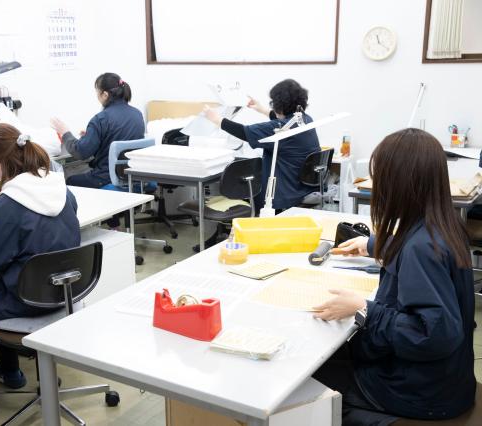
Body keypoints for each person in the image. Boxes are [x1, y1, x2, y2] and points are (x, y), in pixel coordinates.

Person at [312, 128, 476, 425]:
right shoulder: (445, 225)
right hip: (449, 382)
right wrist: (375, 244)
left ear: (400, 184)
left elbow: (434, 335)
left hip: (420, 393)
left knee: (310, 382)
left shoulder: (421, 249)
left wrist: (364, 309)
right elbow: (419, 250)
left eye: (380, 178)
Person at [0, 123, 81, 404]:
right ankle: (9, 371)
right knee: (6, 278)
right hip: (66, 293)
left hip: (27, 301)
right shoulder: (62, 190)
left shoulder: (9, 204)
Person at [204, 79, 320, 213]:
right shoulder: (305, 120)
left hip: (282, 195)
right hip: (301, 189)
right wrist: (261, 109)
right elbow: (284, 121)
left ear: (279, 104)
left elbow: (244, 132)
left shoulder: (281, 130)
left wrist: (217, 119)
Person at [50, 72, 145, 188]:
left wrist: (65, 133)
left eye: (97, 92)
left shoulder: (101, 119)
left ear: (105, 94)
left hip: (107, 178)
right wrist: (94, 135)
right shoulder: (137, 114)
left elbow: (81, 152)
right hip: (133, 177)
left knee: (69, 180)